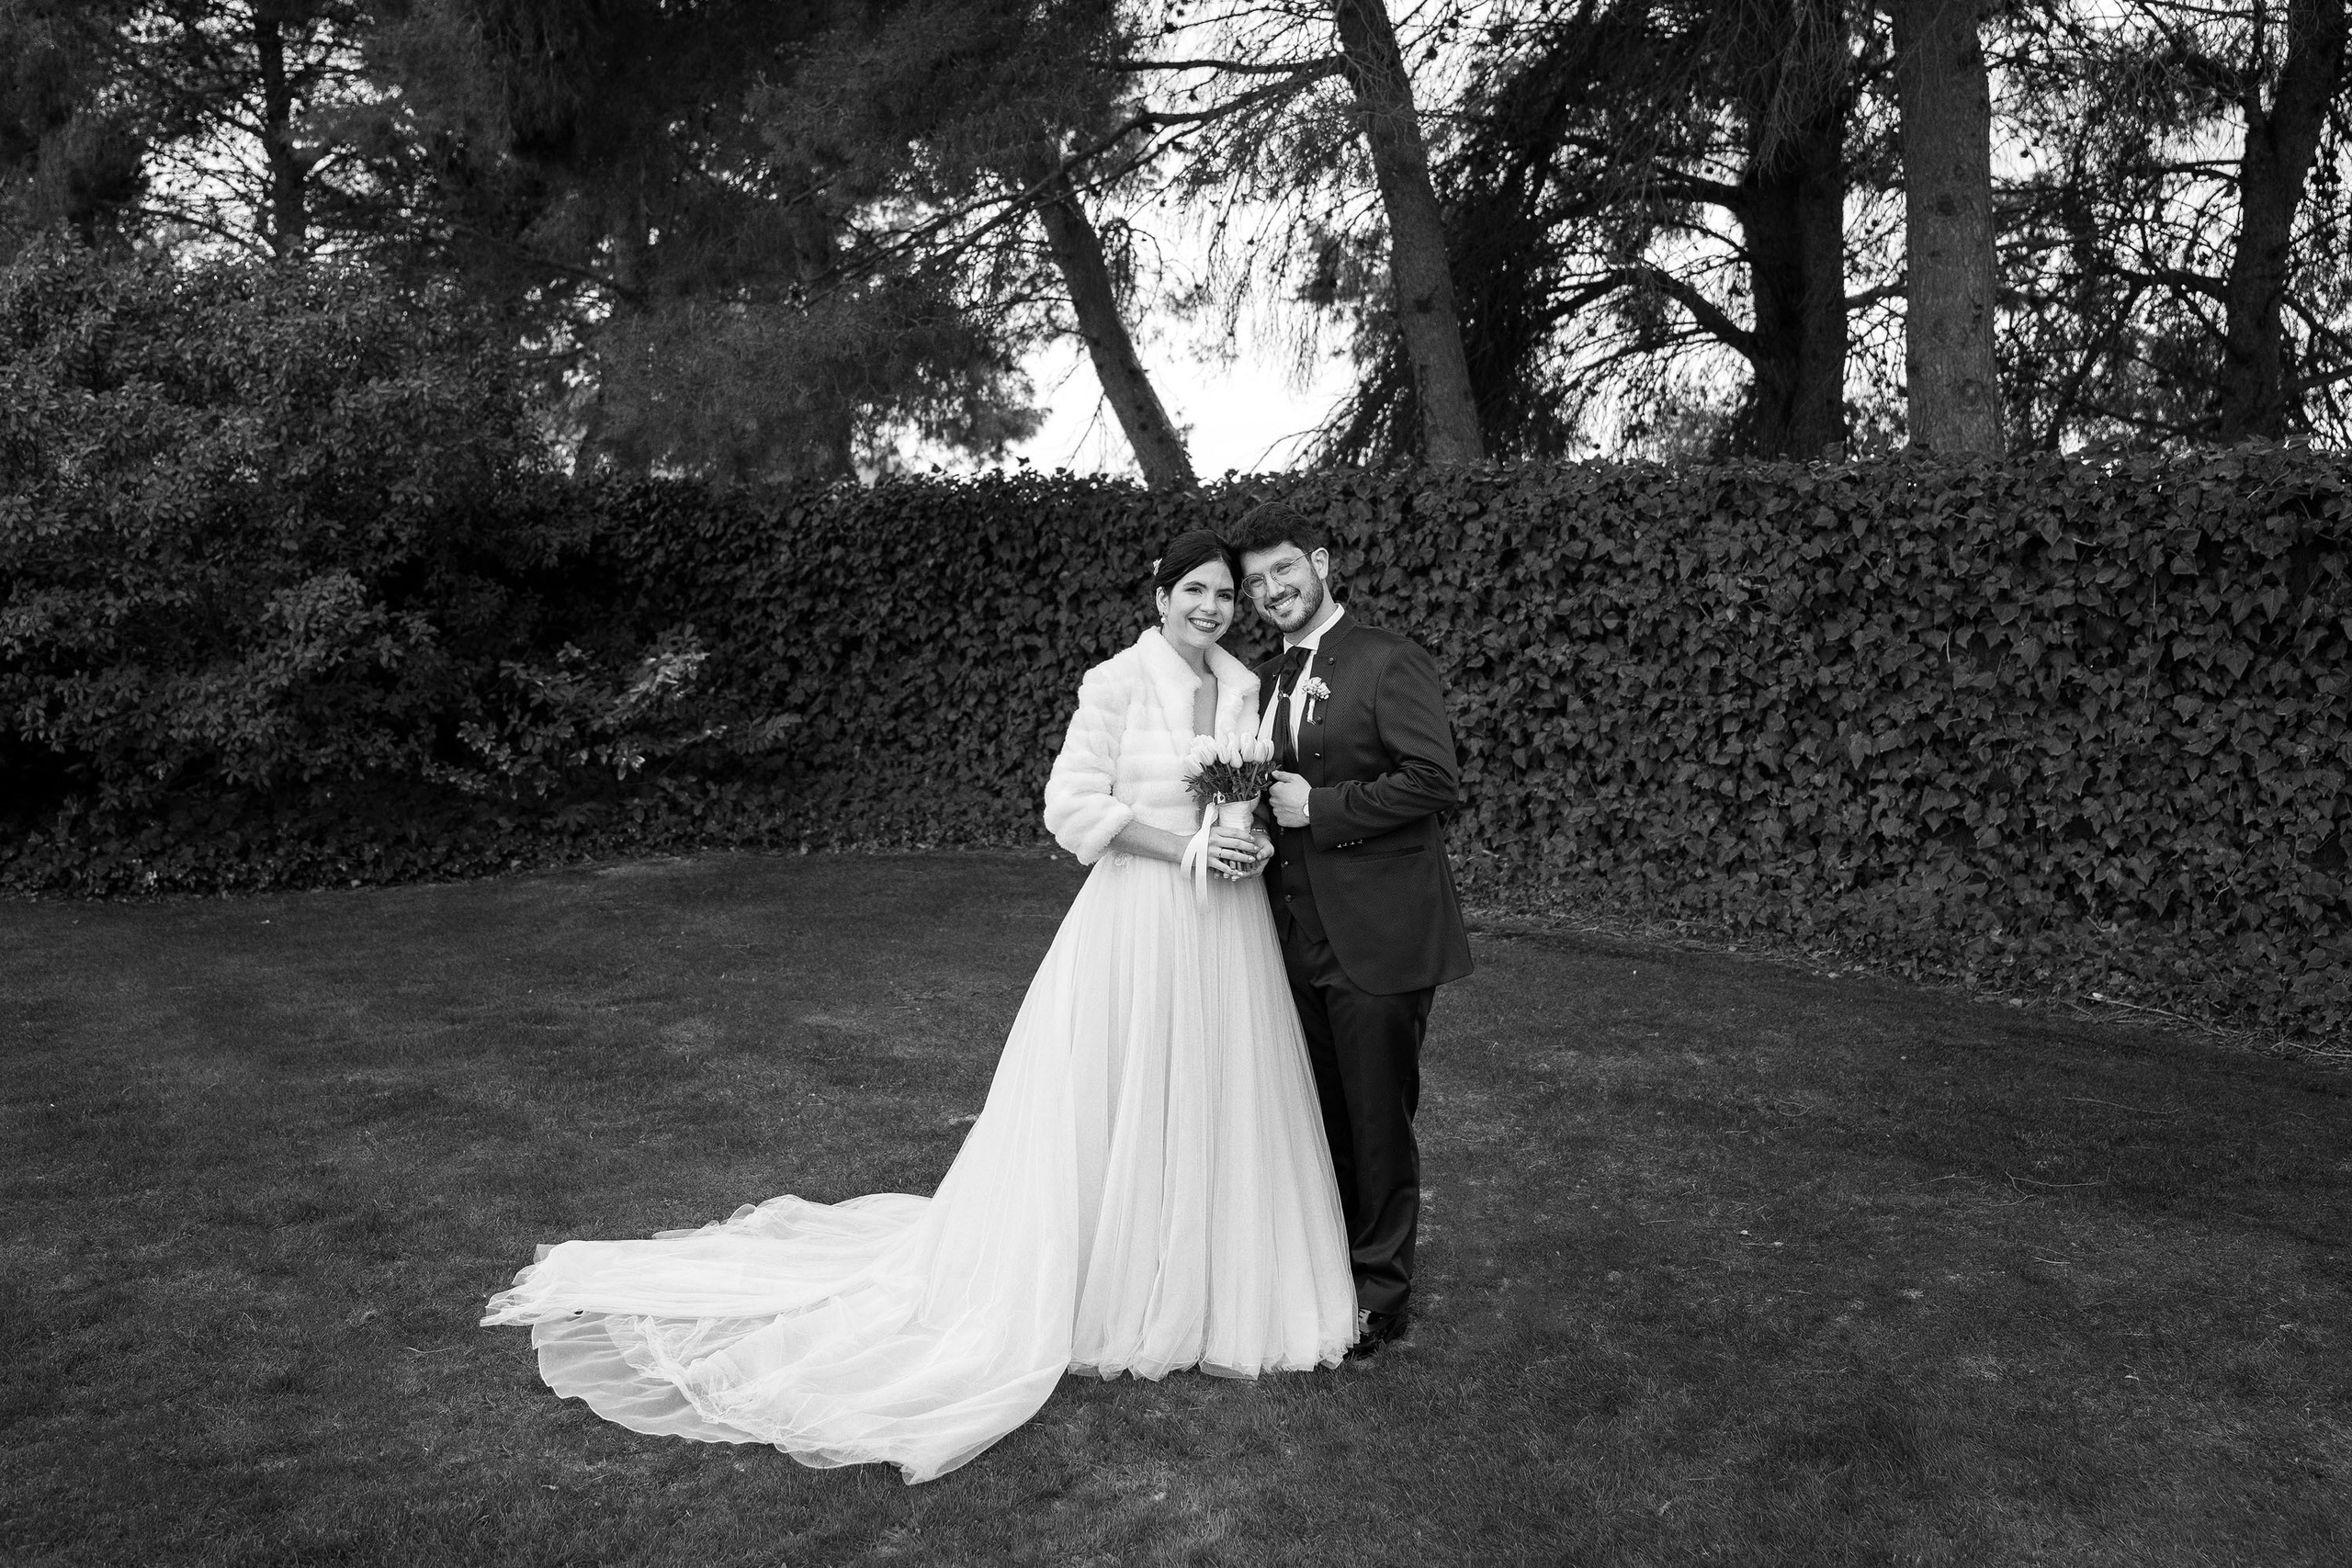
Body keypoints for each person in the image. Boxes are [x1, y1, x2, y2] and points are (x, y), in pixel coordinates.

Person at [481, 529, 1355, 1484]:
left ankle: (1207, 1287)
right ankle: (1112, 1286)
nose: (1211, 606)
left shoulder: (1245, 689)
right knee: (1118, 1098)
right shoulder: (1113, 685)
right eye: (1194, 589)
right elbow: (1072, 810)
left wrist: (1246, 843)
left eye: (1223, 594)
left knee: (1217, 1098)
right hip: (1138, 925)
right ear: (1159, 598)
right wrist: (1179, 848)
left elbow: (1248, 801)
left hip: (1225, 930)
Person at [1232, 502, 1474, 1357]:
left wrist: (1322, 807)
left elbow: (1434, 781)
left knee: (1377, 1117)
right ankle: (1329, 1267)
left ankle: (1382, 1293)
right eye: (1257, 582)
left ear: (1322, 563)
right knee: (1322, 1111)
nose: (1272, 590)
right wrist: (1252, 831)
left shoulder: (1384, 659)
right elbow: (1270, 795)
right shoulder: (1265, 682)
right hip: (1296, 933)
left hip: (1380, 933)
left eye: (1284, 571)